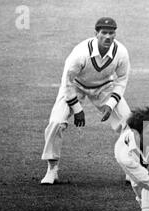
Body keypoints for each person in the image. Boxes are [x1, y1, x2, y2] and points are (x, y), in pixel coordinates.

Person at [41, 17, 131, 184]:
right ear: (96, 34)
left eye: (111, 33)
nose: (108, 37)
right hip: (75, 86)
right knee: (55, 122)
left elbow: (122, 79)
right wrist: (77, 109)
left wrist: (111, 104)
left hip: (104, 87)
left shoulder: (121, 52)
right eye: (104, 33)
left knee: (131, 123)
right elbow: (67, 82)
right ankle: (52, 169)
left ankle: (131, 168)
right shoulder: (80, 53)